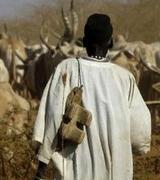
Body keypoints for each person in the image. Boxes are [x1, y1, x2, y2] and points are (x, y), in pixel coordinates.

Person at [32, 14, 151, 180]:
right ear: (110, 43)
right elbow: (140, 136)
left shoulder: (66, 69)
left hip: (75, 172)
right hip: (116, 172)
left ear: (84, 42)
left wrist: (41, 168)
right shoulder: (125, 78)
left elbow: (52, 120)